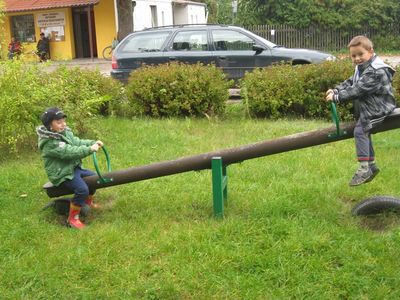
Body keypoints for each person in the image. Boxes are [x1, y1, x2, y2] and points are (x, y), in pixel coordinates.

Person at [325, 35, 396, 186]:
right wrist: (336, 89)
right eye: (353, 56)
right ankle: (371, 166)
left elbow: (357, 90)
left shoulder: (375, 72)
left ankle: (364, 168)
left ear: (371, 51)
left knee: (361, 130)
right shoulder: (362, 68)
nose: (357, 58)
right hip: (370, 107)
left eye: (360, 54)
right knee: (364, 129)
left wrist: (336, 97)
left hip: (380, 108)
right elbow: (351, 82)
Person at [37, 107, 104, 229]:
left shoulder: (64, 133)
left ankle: (88, 203)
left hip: (72, 168)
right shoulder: (50, 143)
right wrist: (89, 149)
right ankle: (72, 219)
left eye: (63, 121)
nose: (63, 124)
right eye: (59, 122)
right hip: (62, 173)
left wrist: (92, 142)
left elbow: (76, 142)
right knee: (82, 189)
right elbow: (69, 152)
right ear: (49, 126)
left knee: (94, 178)